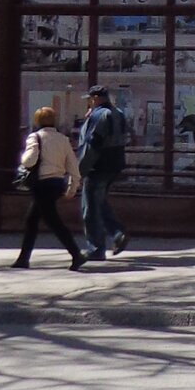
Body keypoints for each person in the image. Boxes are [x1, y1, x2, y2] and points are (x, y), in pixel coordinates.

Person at [13, 105, 86, 271]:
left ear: (37, 120)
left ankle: (76, 254)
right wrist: (72, 187)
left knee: (53, 221)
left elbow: (29, 161)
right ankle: (23, 258)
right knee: (32, 220)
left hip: (41, 184)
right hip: (56, 184)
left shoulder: (35, 137)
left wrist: (23, 158)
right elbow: (73, 166)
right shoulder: (63, 139)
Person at [76, 86, 130, 262]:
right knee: (99, 203)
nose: (89, 102)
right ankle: (117, 233)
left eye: (91, 99)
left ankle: (96, 248)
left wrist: (80, 171)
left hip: (97, 166)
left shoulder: (99, 116)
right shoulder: (118, 113)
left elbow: (93, 146)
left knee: (90, 208)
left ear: (97, 98)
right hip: (114, 165)